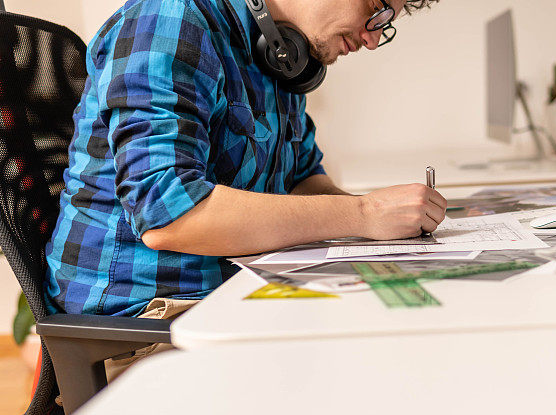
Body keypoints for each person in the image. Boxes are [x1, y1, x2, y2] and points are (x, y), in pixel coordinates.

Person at [45, 0, 446, 325]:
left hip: (236, 295)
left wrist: (381, 230)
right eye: (374, 9)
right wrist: (363, 212)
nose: (372, 39)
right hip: (147, 318)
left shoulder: (284, 52)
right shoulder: (171, 18)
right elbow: (169, 217)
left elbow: (301, 178)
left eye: (386, 22)